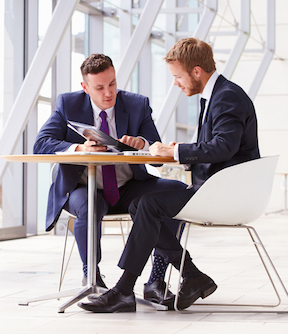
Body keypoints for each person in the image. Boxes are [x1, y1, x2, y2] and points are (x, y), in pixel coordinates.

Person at [78, 37, 260, 313]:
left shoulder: (227, 97)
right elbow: (219, 148)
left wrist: (176, 153)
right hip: (221, 188)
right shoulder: (217, 95)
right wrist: (177, 151)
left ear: (196, 71)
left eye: (178, 76)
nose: (176, 83)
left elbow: (224, 147)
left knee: (148, 204)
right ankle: (189, 275)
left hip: (227, 194)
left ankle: (125, 290)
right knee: (143, 204)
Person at [33, 54, 187, 289]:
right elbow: (41, 144)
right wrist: (79, 147)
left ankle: (157, 278)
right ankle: (91, 276)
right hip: (83, 188)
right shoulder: (68, 104)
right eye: (100, 87)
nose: (108, 93)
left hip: (128, 188)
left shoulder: (137, 105)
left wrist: (142, 144)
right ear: (85, 87)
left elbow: (157, 156)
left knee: (177, 192)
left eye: (112, 84)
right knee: (89, 205)